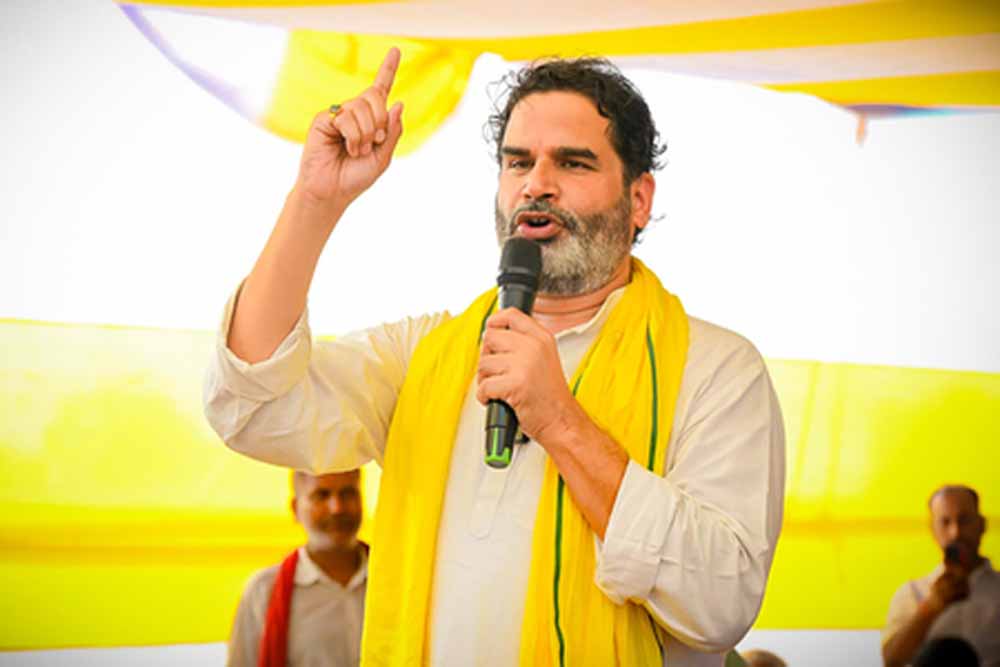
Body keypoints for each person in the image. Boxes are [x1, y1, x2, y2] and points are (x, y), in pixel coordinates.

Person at [204, 47, 785, 666]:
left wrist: (559, 419)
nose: (536, 184)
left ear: (638, 199)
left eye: (573, 162)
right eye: (518, 162)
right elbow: (252, 408)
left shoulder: (717, 370)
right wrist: (314, 202)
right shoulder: (424, 357)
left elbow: (722, 602)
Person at [227, 470, 367, 667]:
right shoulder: (264, 589)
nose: (337, 508)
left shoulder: (397, 582)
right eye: (321, 495)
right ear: (295, 508)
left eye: (348, 493)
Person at [882, 485, 1000, 667]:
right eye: (945, 522)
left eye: (964, 520)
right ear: (933, 530)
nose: (956, 533)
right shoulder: (911, 592)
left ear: (982, 524)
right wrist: (931, 607)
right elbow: (892, 660)